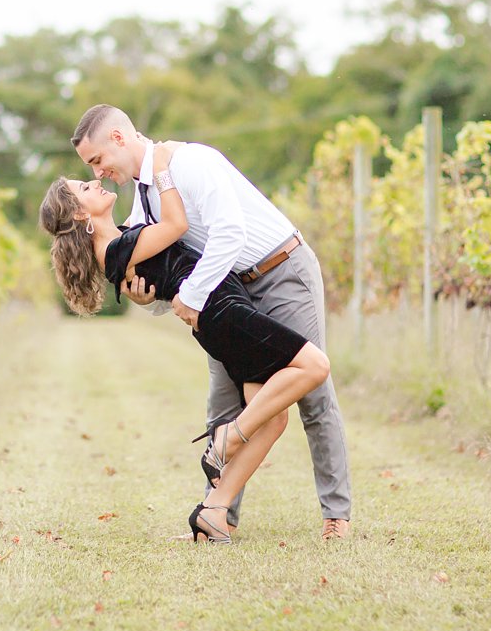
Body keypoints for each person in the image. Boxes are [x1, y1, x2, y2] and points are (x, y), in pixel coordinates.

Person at [71, 104, 353, 541]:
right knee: (222, 401)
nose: (100, 172)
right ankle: (217, 516)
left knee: (312, 395)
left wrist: (192, 296)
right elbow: (160, 266)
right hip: (228, 291)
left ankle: (336, 514)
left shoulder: (191, 162)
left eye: (97, 160)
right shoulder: (143, 198)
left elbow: (229, 234)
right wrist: (148, 299)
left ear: (119, 139)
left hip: (279, 271)